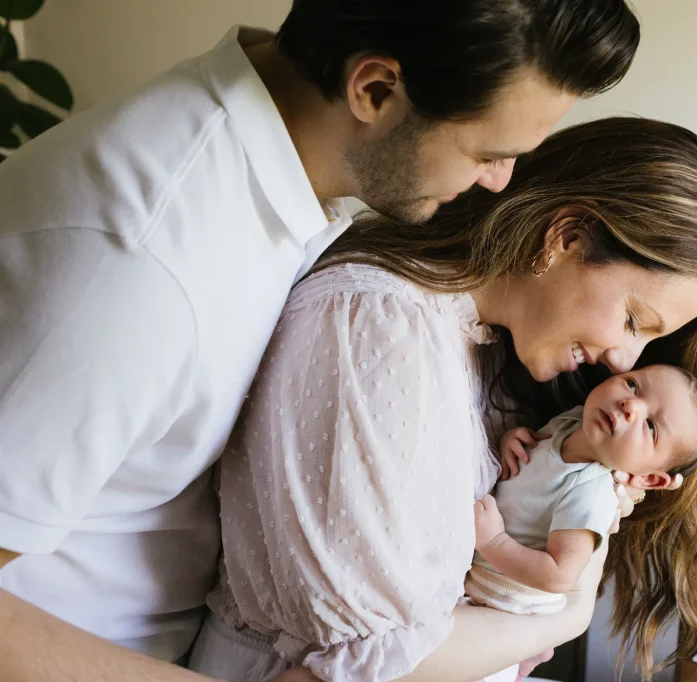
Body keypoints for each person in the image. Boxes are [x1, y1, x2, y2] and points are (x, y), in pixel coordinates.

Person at [0, 1, 641, 680]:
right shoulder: (137, 260)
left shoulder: (285, 190)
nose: (500, 181)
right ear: (375, 90)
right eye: (488, 152)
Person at [186, 117, 697, 682]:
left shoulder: (493, 351)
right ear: (567, 237)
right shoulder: (379, 329)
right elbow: (367, 665)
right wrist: (564, 620)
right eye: (633, 319)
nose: (626, 362)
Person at [469, 365, 697, 630]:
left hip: (506, 606)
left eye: (650, 426)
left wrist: (494, 542)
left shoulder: (591, 493)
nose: (630, 405)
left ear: (649, 479)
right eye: (633, 385)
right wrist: (512, 440)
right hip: (479, 583)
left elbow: (559, 575)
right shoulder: (572, 423)